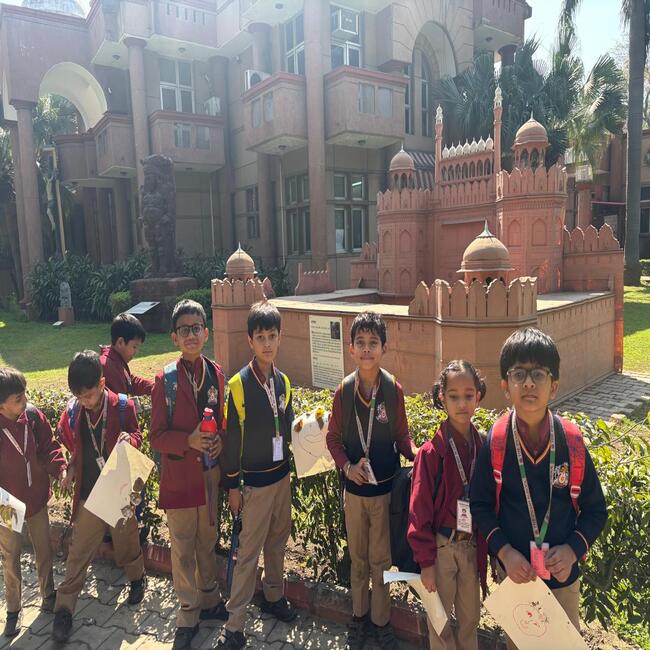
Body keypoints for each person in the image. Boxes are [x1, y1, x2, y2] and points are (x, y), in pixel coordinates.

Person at [470, 328, 607, 648]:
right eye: (518, 373)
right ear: (505, 386)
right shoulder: (497, 441)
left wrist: (572, 550)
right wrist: (505, 552)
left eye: (539, 374)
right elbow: (480, 505)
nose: (529, 383)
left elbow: (595, 510)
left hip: (562, 578)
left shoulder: (571, 443)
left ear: (554, 386)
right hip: (516, 576)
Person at [326, 311, 417, 650]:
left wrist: (416, 453)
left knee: (381, 561)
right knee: (359, 560)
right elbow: (333, 439)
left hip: (384, 493)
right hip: (354, 492)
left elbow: (402, 436)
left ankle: (381, 621)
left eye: (373, 343)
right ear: (351, 348)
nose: (367, 349)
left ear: (384, 348)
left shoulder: (393, 390)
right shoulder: (344, 391)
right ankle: (359, 617)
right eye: (361, 343)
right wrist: (347, 466)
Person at [216, 301, 297, 650]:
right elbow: (231, 442)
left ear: (280, 338)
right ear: (250, 340)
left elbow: (288, 430)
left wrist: (310, 430)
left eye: (272, 336)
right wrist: (233, 486)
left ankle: (273, 597)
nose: (267, 343)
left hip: (281, 479)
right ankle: (234, 626)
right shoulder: (238, 385)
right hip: (253, 485)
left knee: (277, 544)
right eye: (260, 337)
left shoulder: (284, 382)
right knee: (247, 555)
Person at [52, 351, 146, 644]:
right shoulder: (75, 411)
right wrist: (69, 468)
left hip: (118, 488)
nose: (85, 401)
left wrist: (130, 439)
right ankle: (64, 609)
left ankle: (136, 577)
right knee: (79, 551)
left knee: (126, 539)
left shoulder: (122, 406)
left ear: (102, 383)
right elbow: (75, 447)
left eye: (89, 395)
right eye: (79, 396)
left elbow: (138, 435)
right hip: (89, 492)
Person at [150, 299, 227, 650]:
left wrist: (219, 440)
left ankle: (210, 600)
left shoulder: (217, 374)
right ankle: (187, 614)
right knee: (182, 550)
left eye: (197, 328)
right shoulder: (164, 380)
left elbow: (221, 422)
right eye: (184, 330)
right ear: (174, 338)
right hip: (179, 479)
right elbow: (156, 437)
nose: (191, 335)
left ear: (206, 333)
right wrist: (189, 441)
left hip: (209, 476)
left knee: (207, 542)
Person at [408, 360, 488, 650]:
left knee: (470, 619)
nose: (462, 404)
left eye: (468, 395)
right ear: (442, 398)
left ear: (478, 395)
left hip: (471, 546)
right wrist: (426, 564)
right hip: (441, 547)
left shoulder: (483, 446)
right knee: (440, 622)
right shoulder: (432, 452)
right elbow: (418, 512)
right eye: (454, 396)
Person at [0, 367, 66, 638]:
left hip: (36, 496)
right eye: (18, 399)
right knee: (11, 556)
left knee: (44, 549)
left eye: (25, 394)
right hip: (7, 503)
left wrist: (60, 469)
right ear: (1, 406)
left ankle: (48, 594)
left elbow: (49, 447)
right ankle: (14, 609)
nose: (25, 400)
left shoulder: (33, 417)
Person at [100, 313, 154, 402]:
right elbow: (115, 404)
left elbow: (130, 382)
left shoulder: (116, 361)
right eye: (134, 347)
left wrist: (155, 386)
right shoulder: (107, 366)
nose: (136, 351)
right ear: (120, 342)